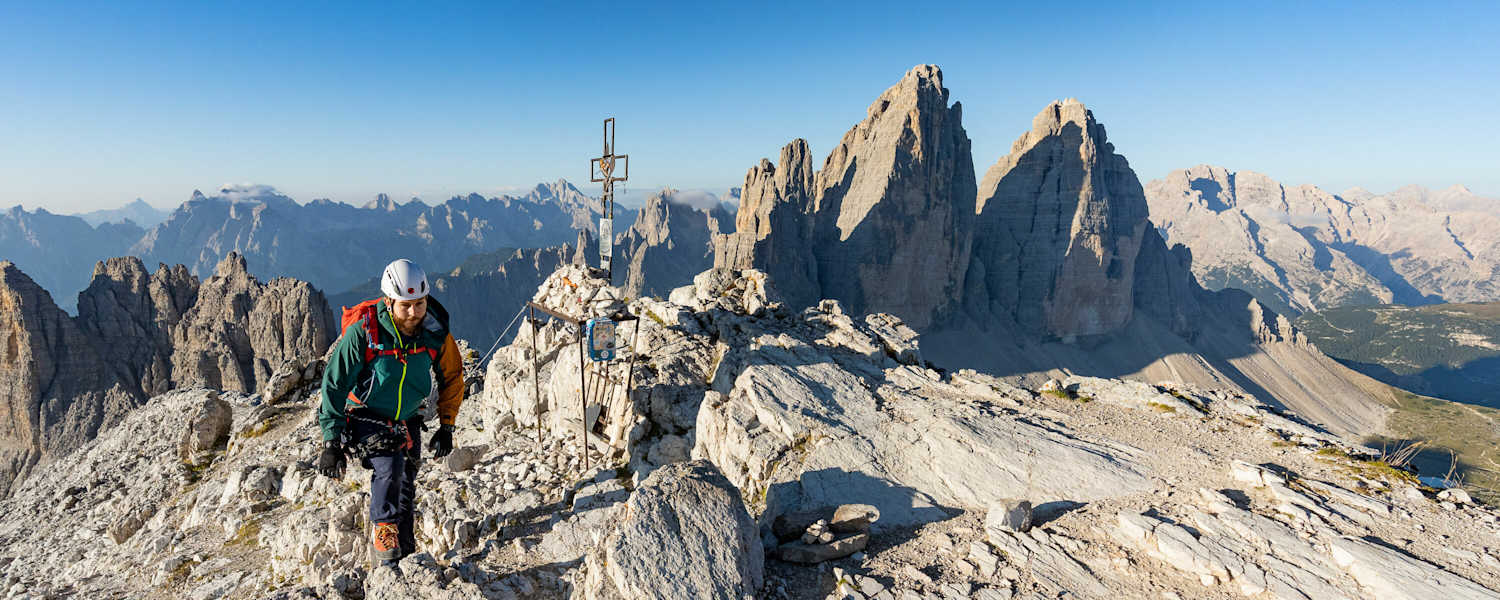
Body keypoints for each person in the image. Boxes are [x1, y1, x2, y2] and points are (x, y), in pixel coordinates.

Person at [315, 258, 466, 568]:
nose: (413, 313)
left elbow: (452, 376)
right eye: (406, 305)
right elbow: (334, 384)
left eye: (420, 304)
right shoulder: (364, 334)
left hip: (408, 416)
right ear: (389, 301)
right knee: (390, 466)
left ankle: (406, 555)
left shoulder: (435, 334)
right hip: (365, 415)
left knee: (407, 482)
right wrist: (331, 440)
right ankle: (384, 534)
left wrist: (447, 425)